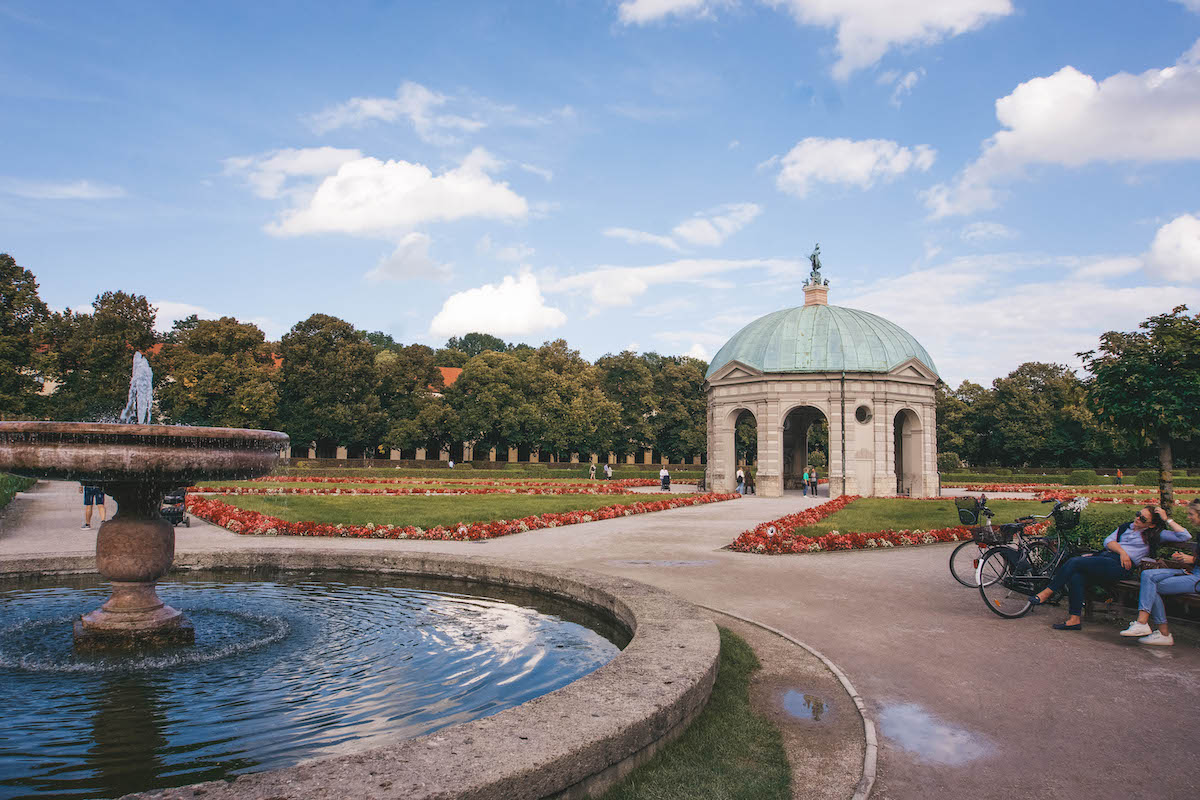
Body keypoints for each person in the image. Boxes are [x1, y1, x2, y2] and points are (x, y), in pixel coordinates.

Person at [1031, 504, 1192, 630]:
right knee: (1076, 576)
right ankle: (1074, 620)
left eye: (1143, 519)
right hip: (1109, 559)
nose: (1137, 519)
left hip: (1121, 568)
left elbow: (1184, 536)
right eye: (1138, 514)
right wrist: (1122, 551)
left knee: (1075, 562)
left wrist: (1167, 519)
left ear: (1150, 525)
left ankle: (1047, 593)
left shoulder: (1154, 535)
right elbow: (1108, 541)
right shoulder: (1125, 527)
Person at [1118, 498, 1199, 646]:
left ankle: (1160, 632)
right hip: (1193, 574)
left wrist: (1192, 560)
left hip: (1197, 579)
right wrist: (1166, 520)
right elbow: (1187, 538)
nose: (1189, 517)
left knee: (1150, 586)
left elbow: (1188, 542)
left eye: (1191, 514)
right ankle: (1146, 625)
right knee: (1148, 575)